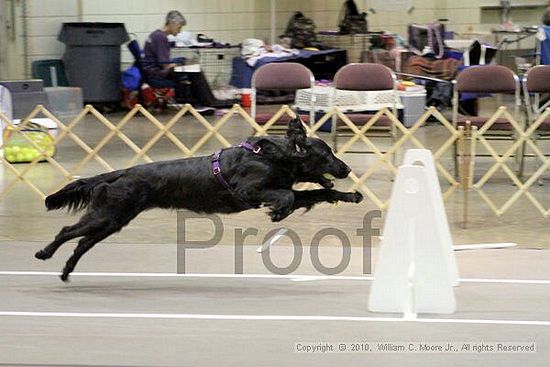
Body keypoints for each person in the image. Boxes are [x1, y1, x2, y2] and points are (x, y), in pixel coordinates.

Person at [142, 10, 236, 108]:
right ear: (172, 23)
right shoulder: (161, 38)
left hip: (152, 71)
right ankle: (210, 102)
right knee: (196, 71)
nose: (179, 31)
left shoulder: (155, 35)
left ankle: (205, 101)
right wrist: (181, 65)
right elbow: (164, 64)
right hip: (157, 73)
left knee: (191, 69)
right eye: (179, 27)